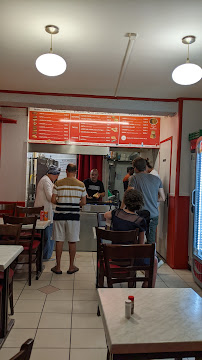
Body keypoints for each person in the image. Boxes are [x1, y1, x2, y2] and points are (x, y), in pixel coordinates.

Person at [104, 188, 157, 287]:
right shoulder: (140, 221)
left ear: (125, 201)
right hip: (130, 259)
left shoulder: (116, 213)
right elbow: (140, 245)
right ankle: (147, 286)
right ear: (140, 203)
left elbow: (106, 215)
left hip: (113, 256)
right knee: (154, 260)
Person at [51, 163, 87, 275]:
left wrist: (62, 202)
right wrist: (75, 203)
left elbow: (53, 200)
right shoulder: (81, 185)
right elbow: (84, 202)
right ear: (75, 172)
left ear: (66, 171)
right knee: (72, 241)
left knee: (59, 240)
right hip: (74, 216)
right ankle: (71, 266)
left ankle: (58, 266)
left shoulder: (58, 183)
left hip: (59, 215)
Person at [128, 157, 165, 245]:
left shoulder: (134, 178)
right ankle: (151, 257)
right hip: (153, 215)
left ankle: (138, 257)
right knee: (151, 241)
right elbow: (163, 198)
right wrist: (152, 197)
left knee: (136, 238)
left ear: (135, 168)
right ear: (145, 167)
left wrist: (122, 209)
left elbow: (128, 195)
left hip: (139, 215)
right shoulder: (157, 179)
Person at [34, 165, 61, 260]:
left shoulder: (48, 180)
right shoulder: (46, 181)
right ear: (53, 174)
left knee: (48, 234)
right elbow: (50, 197)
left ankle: (46, 255)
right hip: (44, 212)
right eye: (57, 175)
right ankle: (45, 256)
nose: (57, 177)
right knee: (47, 235)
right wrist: (60, 200)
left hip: (46, 211)